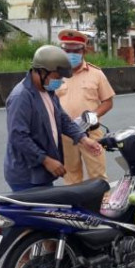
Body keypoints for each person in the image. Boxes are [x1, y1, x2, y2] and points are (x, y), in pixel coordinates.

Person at [4, 45, 102, 192]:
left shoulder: (47, 91)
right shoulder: (22, 97)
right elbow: (19, 137)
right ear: (41, 72)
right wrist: (46, 160)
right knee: (36, 214)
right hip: (27, 175)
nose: (60, 81)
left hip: (41, 173)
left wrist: (83, 138)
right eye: (57, 77)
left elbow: (63, 119)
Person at [55, 29, 116, 184]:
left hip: (91, 133)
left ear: (84, 51)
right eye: (66, 50)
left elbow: (108, 102)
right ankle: (77, 207)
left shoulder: (96, 74)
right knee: (71, 178)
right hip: (66, 135)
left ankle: (100, 208)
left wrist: (92, 116)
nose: (71, 54)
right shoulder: (55, 74)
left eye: (75, 50)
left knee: (98, 177)